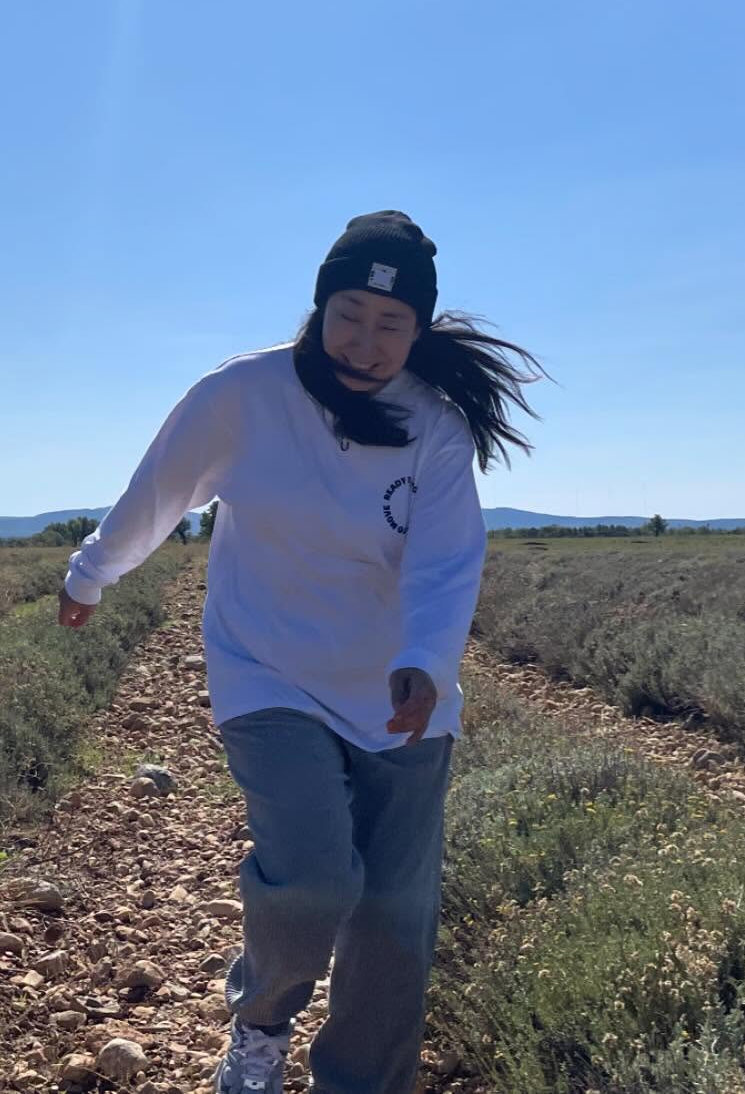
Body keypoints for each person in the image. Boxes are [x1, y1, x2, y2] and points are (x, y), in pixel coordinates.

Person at [56, 211, 543, 1094]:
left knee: (394, 916)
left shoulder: (434, 428)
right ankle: (261, 1024)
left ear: (419, 331)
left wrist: (426, 661)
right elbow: (158, 492)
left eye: (391, 323)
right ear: (319, 307)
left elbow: (445, 561)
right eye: (348, 314)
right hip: (266, 670)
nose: (365, 342)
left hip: (399, 690)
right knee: (314, 877)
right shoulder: (243, 396)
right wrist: (92, 572)